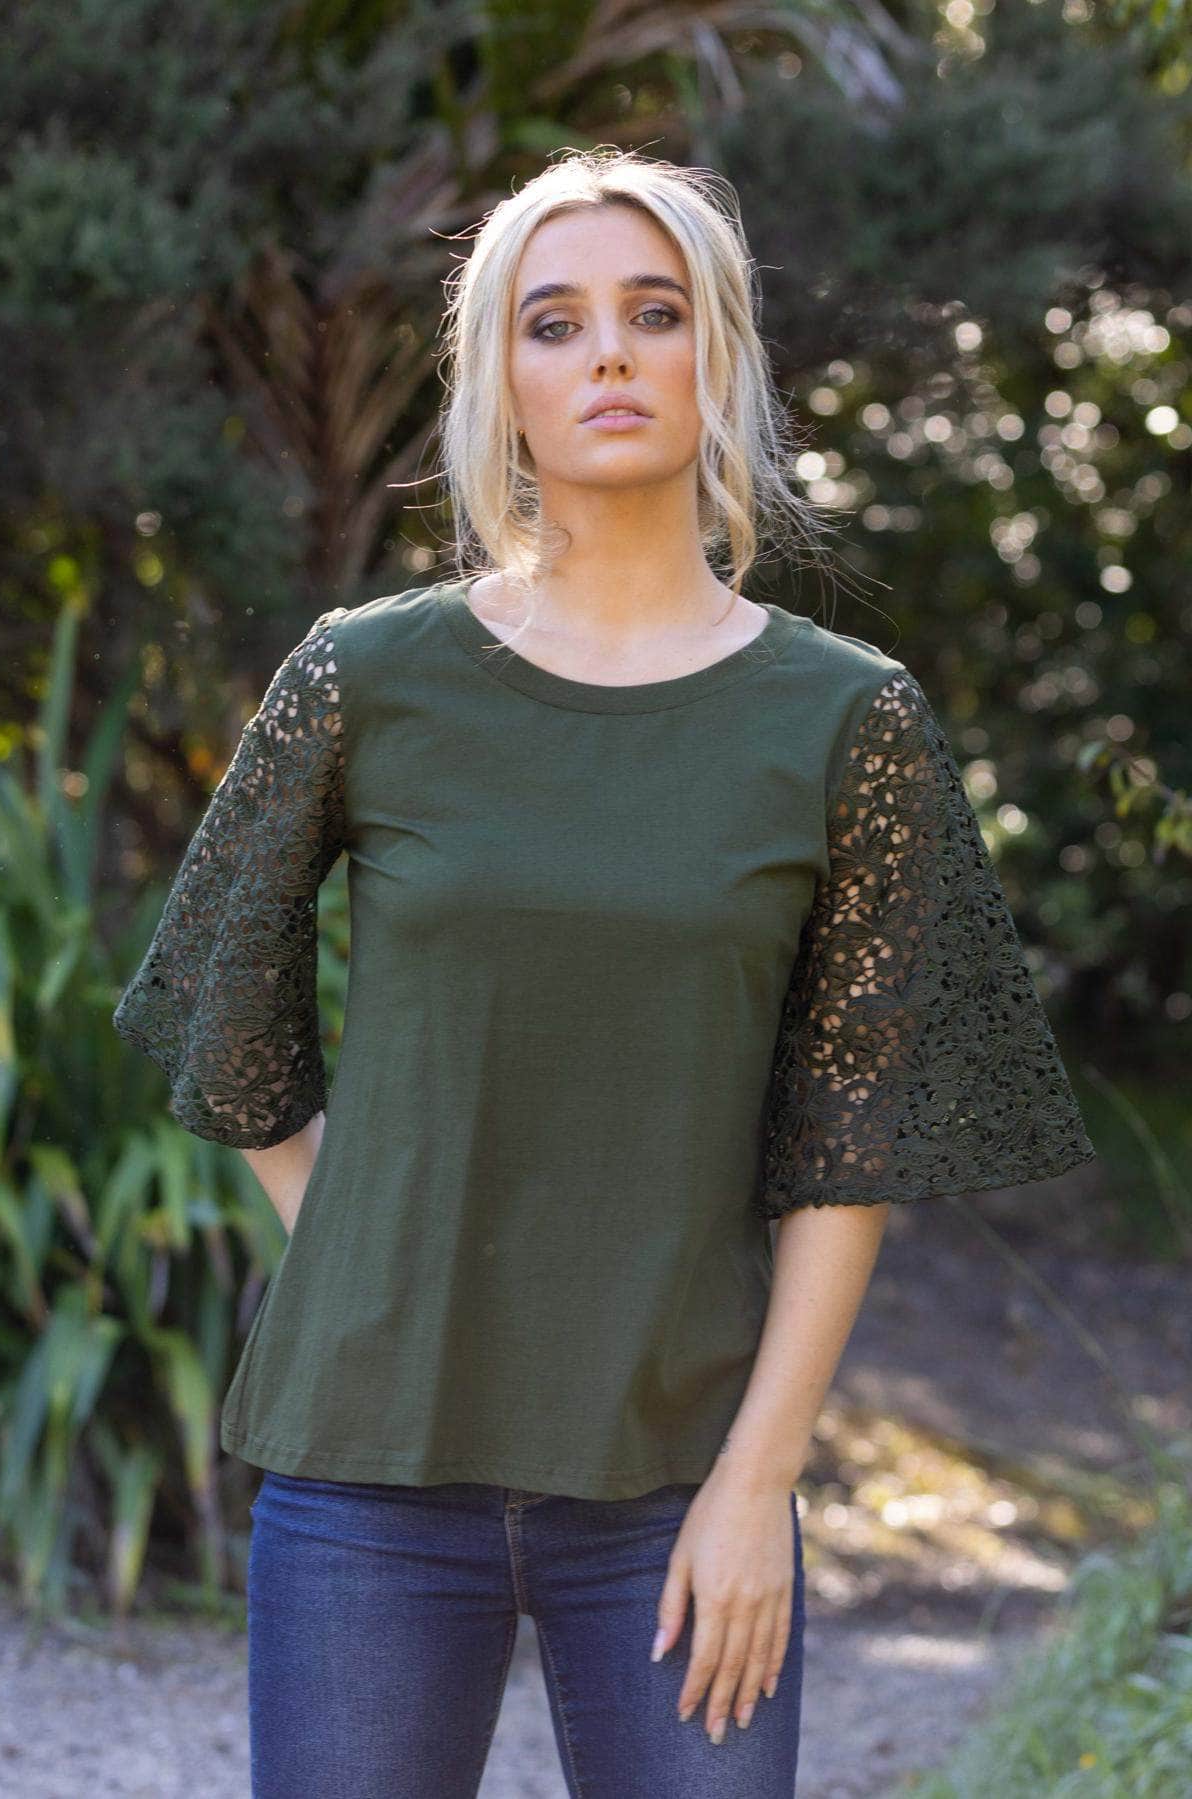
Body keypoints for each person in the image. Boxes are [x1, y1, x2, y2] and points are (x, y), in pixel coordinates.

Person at [112, 146, 1096, 1798]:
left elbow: (850, 1148)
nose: (611, 356)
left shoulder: (846, 721)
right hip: (367, 1476)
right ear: (499, 379)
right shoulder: (368, 677)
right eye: (553, 323)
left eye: (655, 312)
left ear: (721, 355)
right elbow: (224, 1006)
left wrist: (758, 1485)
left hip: (681, 1483)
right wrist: (361, 1246)